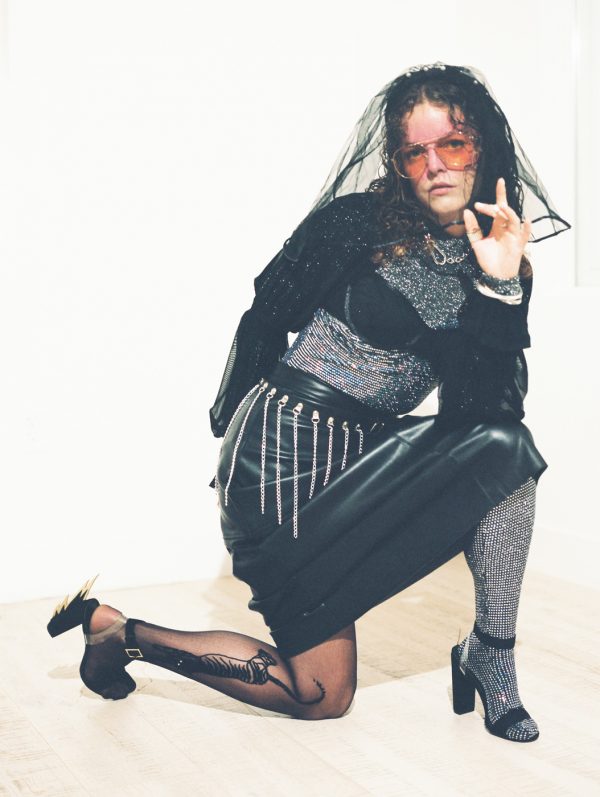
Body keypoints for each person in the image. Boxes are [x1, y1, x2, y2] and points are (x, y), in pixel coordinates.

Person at [47, 63, 569, 743]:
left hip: (362, 459)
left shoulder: (501, 262)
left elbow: (485, 412)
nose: (435, 165)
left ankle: (491, 653)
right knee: (321, 696)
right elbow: (264, 319)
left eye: (453, 144)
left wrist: (498, 286)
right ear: (398, 163)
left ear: (483, 147)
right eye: (414, 152)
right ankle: (125, 636)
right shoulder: (355, 225)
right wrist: (234, 441)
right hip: (280, 461)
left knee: (505, 453)